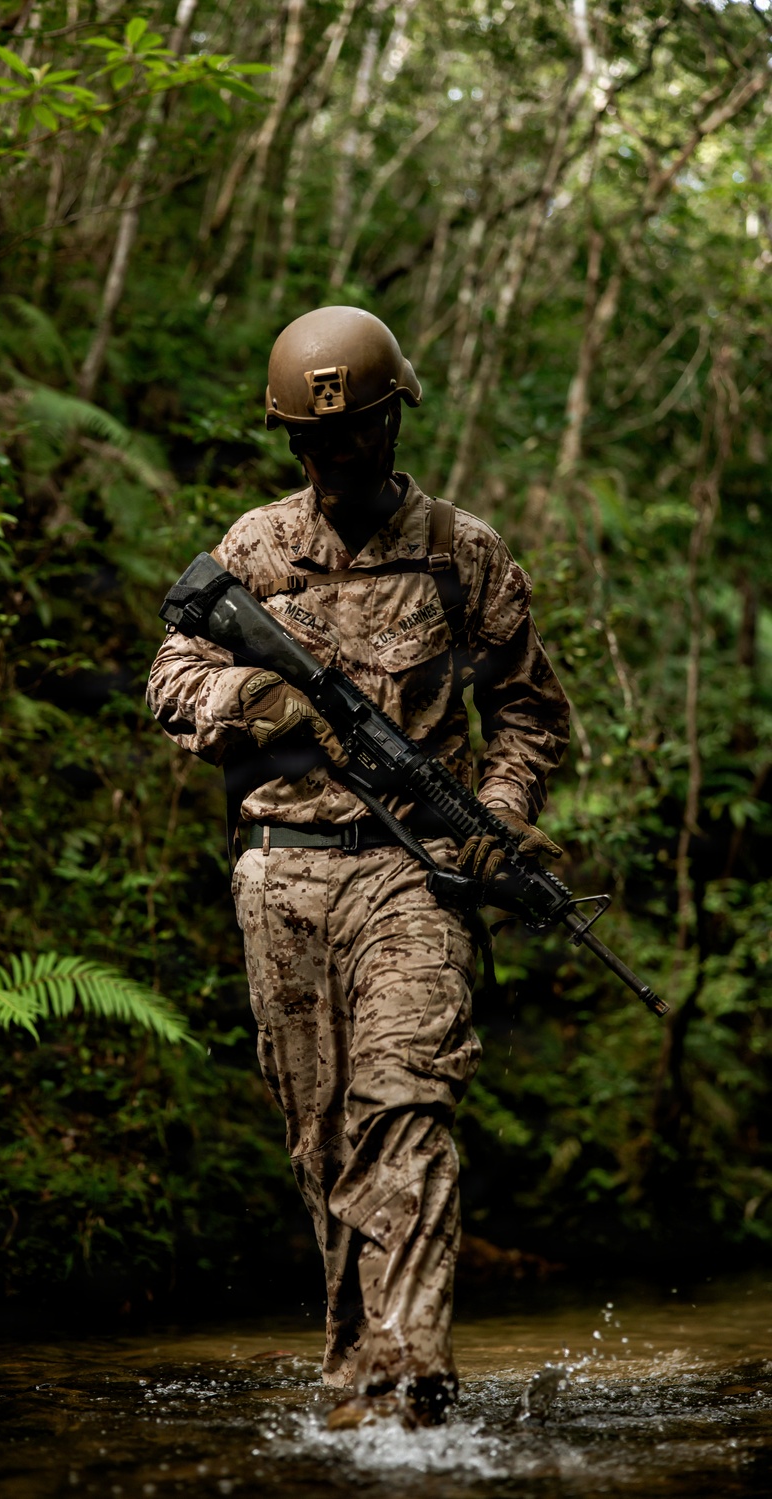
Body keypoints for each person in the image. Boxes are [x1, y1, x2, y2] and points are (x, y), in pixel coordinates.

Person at [147, 306, 570, 1428]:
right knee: (323, 1137)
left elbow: (529, 713)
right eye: (312, 443)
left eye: (354, 436)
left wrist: (497, 812)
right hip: (281, 877)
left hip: (413, 876)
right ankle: (356, 1377)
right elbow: (170, 679)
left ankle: (409, 1381)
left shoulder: (462, 552)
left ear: (392, 422)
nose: (333, 459)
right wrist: (254, 695)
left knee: (407, 1105)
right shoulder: (253, 550)